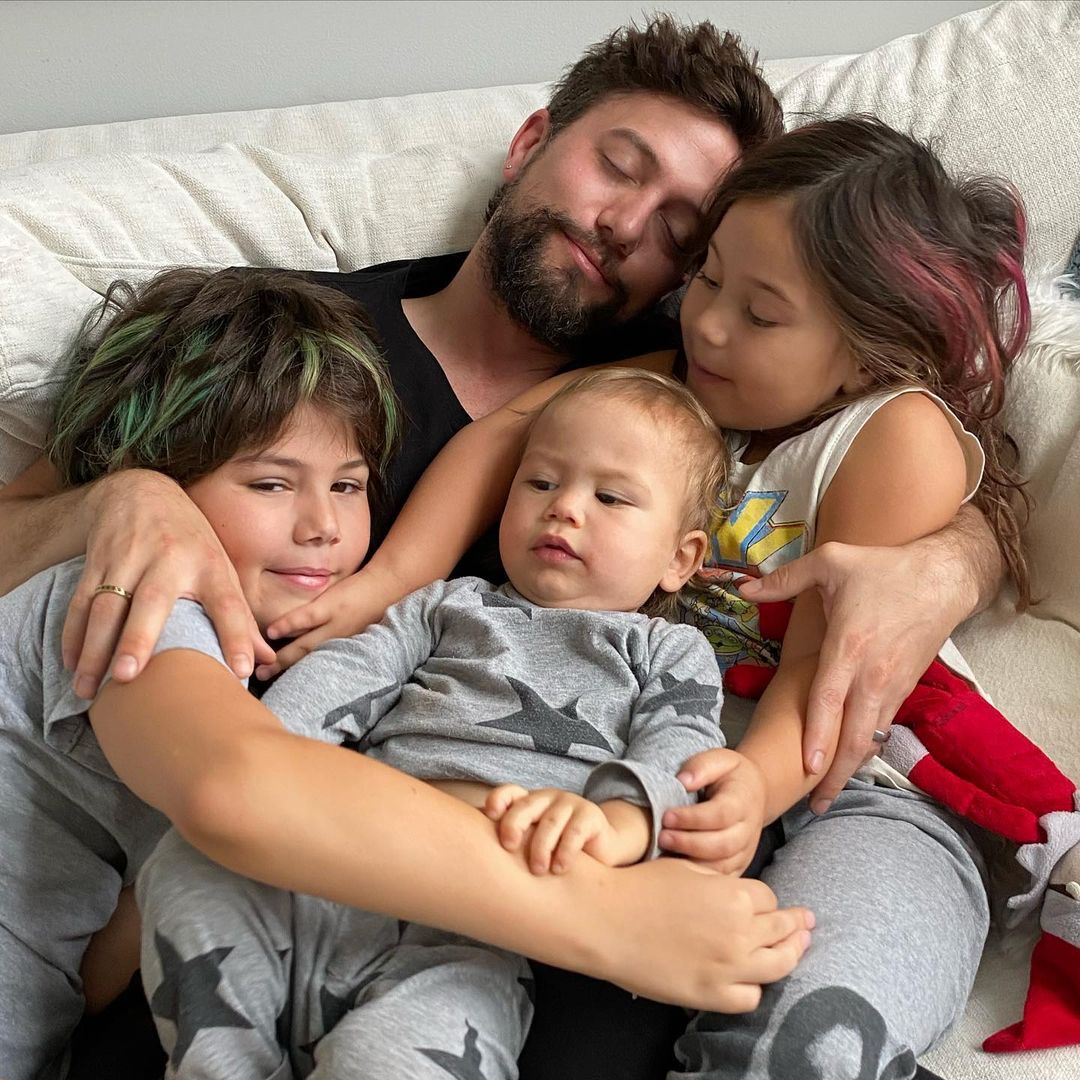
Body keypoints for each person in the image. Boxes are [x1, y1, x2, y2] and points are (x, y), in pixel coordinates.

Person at [0, 17, 1003, 816]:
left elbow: (912, 435)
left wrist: (948, 561)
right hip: (176, 805)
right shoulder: (274, 330)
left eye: (677, 232)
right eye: (618, 165)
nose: (622, 226)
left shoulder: (672, 409)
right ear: (531, 143)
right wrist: (110, 505)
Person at [0, 269, 812, 1080]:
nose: (322, 526)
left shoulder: (661, 653)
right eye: (271, 483)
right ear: (166, 481)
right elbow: (242, 782)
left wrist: (633, 821)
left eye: (350, 486)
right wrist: (611, 918)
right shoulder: (131, 585)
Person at [363, 116, 1034, 1080]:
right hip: (666, 773)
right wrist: (386, 586)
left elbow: (827, 672)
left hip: (865, 792)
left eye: (761, 314)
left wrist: (756, 788)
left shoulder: (894, 436)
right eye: (708, 277)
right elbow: (504, 437)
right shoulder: (667, 393)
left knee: (804, 1037)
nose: (707, 322)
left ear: (862, 355)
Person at [134, 368, 771, 1077]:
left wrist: (617, 824)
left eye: (611, 497)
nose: (564, 509)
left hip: (476, 931)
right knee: (188, 865)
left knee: (406, 1055)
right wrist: (278, 765)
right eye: (540, 483)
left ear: (680, 559)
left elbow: (680, 756)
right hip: (333, 862)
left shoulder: (666, 650)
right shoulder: (446, 605)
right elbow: (341, 680)